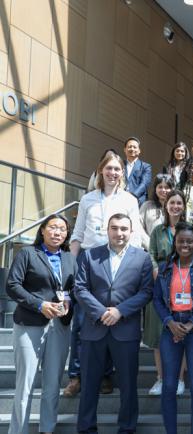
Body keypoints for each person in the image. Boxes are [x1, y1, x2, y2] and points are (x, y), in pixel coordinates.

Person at [66, 150, 143, 397]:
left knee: (112, 323)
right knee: (81, 324)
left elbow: (137, 234)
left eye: (117, 169)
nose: (112, 173)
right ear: (101, 170)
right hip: (90, 266)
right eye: (108, 168)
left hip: (119, 267)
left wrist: (141, 265)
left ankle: (105, 377)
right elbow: (77, 235)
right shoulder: (88, 199)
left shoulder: (130, 200)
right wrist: (71, 267)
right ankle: (76, 376)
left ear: (122, 174)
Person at [74, 213, 153, 434]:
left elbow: (146, 292)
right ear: (107, 230)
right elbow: (80, 288)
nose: (119, 233)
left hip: (125, 330)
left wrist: (120, 311)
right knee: (89, 385)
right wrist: (101, 312)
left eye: (124, 229)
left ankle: (127, 429)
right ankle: (86, 428)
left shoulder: (142, 258)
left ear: (131, 231)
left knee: (128, 386)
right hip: (94, 329)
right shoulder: (90, 255)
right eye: (115, 228)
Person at [6, 215, 76, 434]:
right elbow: (12, 285)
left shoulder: (69, 258)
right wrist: (39, 305)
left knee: (53, 384)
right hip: (30, 325)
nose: (57, 232)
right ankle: (18, 431)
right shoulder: (28, 253)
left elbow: (74, 289)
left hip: (60, 326)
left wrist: (68, 302)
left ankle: (47, 429)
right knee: (25, 385)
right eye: (52, 227)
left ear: (67, 234)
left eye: (62, 229)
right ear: (43, 230)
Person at [153, 222, 193, 434]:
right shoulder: (164, 268)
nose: (185, 244)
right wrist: (170, 322)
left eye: (190, 241)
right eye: (181, 240)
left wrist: (192, 323)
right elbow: (156, 299)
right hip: (170, 328)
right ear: (175, 242)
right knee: (169, 385)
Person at [146, 190, 188, 395]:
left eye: (179, 203)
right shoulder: (157, 230)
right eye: (172, 202)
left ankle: (180, 379)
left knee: (180, 332)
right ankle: (161, 379)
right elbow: (152, 253)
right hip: (161, 283)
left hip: (184, 285)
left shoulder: (190, 229)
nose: (176, 206)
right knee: (157, 333)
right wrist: (155, 269)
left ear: (184, 206)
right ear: (166, 205)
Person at [139, 173, 174, 249]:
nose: (163, 190)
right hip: (149, 250)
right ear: (155, 189)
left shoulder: (176, 208)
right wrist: (150, 246)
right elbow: (139, 228)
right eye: (160, 187)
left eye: (167, 187)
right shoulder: (146, 206)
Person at [123, 137, 152, 206]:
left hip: (138, 201)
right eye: (129, 147)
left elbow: (144, 184)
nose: (132, 149)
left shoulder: (146, 166)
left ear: (139, 150)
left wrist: (132, 195)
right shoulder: (120, 164)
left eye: (135, 147)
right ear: (125, 150)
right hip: (120, 200)